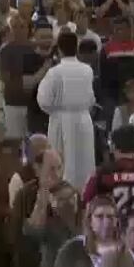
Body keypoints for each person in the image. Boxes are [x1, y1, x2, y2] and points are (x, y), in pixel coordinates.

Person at [38, 32, 96, 190]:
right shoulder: (87, 70)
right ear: (76, 48)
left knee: (63, 162)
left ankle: (63, 196)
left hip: (62, 120)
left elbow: (43, 100)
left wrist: (55, 111)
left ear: (59, 49)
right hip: (84, 120)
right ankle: (86, 193)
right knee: (84, 160)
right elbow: (91, 99)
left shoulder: (55, 72)